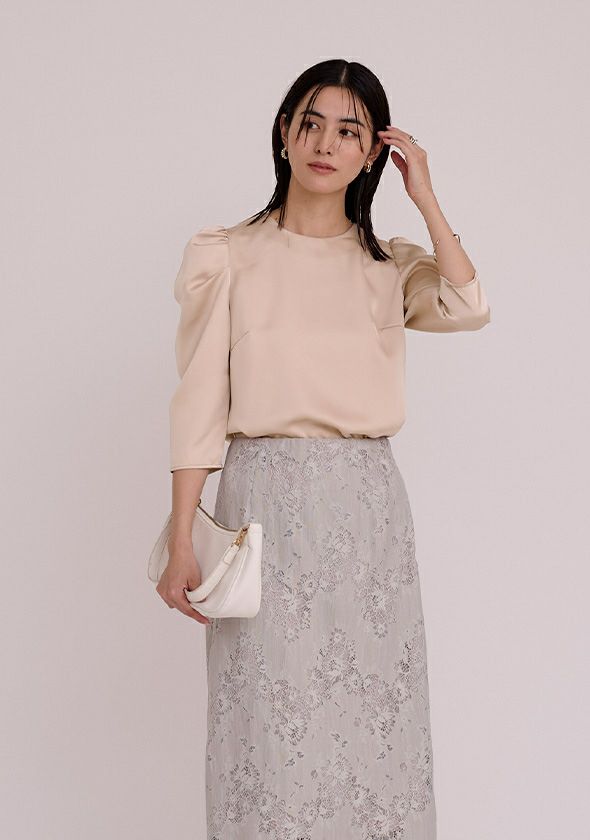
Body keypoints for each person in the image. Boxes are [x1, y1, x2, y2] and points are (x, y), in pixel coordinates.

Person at [157, 58, 491, 840]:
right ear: (284, 133)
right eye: (311, 124)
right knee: (266, 725)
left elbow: (468, 304)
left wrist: (425, 195)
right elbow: (199, 401)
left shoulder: (388, 266)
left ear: (372, 152)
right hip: (263, 505)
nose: (325, 144)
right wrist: (182, 536)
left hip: (367, 512)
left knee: (372, 717)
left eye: (349, 131)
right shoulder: (229, 254)